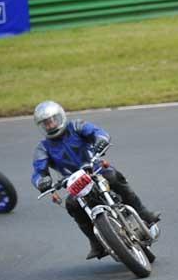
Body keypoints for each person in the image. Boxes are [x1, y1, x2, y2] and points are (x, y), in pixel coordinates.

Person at [31, 101, 160, 260]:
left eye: (52, 120)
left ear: (60, 117)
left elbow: (98, 132)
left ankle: (143, 213)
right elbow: (38, 172)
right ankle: (95, 242)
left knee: (114, 177)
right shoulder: (43, 148)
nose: (50, 125)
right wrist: (41, 182)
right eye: (45, 123)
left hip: (96, 169)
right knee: (71, 204)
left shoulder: (77, 126)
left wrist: (101, 140)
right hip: (74, 183)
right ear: (41, 126)